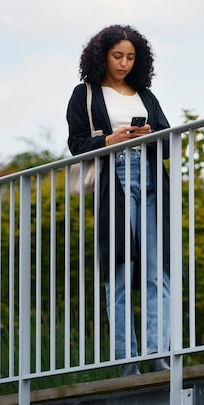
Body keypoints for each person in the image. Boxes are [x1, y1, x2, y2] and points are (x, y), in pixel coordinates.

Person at [66, 24, 170, 376]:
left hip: (152, 176)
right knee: (120, 270)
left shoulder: (146, 95)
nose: (124, 63)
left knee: (158, 271)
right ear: (102, 56)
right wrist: (110, 141)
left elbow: (169, 142)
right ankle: (128, 361)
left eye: (130, 57)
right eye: (117, 56)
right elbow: (76, 145)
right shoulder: (86, 94)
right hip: (116, 178)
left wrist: (150, 134)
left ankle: (158, 354)